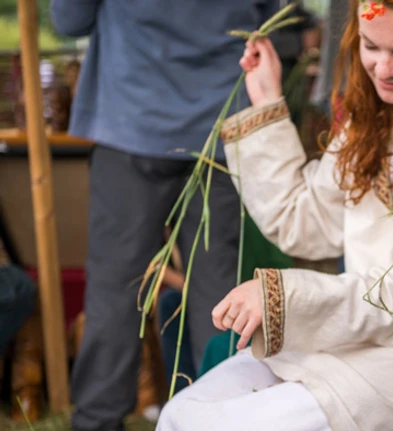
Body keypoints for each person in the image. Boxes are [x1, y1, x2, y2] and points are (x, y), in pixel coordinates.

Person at [155, 0, 393, 429]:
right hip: (357, 332)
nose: (382, 68)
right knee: (182, 415)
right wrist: (267, 98)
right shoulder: (374, 121)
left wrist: (290, 299)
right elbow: (302, 223)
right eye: (370, 46)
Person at [49, 2, 282, 430]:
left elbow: (69, 20)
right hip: (221, 124)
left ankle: (98, 420)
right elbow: (273, 18)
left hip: (131, 119)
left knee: (116, 286)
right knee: (219, 291)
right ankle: (222, 417)